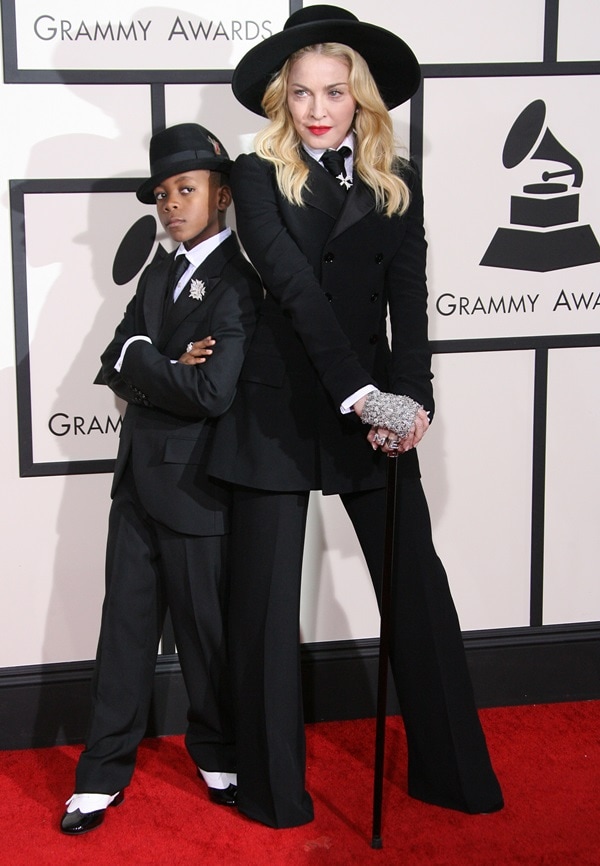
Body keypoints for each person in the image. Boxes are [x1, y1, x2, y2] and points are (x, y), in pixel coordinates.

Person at [208, 6, 504, 829]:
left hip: (373, 413)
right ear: (281, 99)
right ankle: (274, 794)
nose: (316, 108)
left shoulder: (393, 176)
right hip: (279, 411)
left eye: (333, 91)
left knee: (418, 590)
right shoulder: (256, 173)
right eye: (300, 93)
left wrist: (410, 400)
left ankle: (455, 775)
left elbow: (407, 302)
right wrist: (361, 393)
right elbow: (295, 291)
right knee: (266, 613)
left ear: (360, 97)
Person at [60, 123, 263, 834]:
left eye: (186, 189)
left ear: (223, 194)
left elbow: (214, 394)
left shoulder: (241, 280)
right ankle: (100, 774)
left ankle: (218, 753)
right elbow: (114, 359)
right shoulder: (155, 274)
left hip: (197, 488)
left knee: (207, 635)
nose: (171, 205)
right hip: (135, 484)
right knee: (123, 631)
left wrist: (148, 362)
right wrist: (163, 357)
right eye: (161, 195)